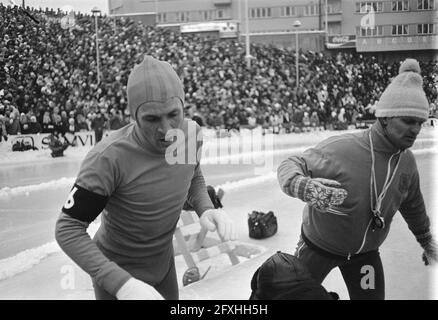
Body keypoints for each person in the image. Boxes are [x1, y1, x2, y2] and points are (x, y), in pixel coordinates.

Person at [55, 55, 237, 300]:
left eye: (174, 114)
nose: (166, 129)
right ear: (133, 116)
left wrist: (205, 208)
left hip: (163, 266)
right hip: (117, 272)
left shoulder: (191, 133)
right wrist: (121, 284)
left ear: (184, 106)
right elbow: (68, 228)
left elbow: (192, 174)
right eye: (151, 118)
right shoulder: (108, 158)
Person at [277, 59, 437, 300]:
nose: (415, 129)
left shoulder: (406, 162)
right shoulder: (342, 148)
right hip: (316, 248)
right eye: (407, 121)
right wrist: (304, 186)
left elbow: (412, 205)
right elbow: (291, 164)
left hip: (365, 255)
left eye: (420, 122)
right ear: (385, 118)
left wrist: (425, 240)